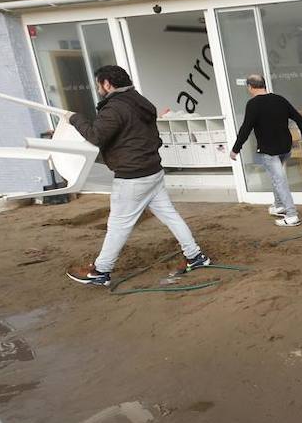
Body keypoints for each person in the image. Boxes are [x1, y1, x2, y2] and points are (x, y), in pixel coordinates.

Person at [65, 65, 209, 287]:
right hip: (152, 170)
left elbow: (95, 135)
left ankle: (101, 271)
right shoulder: (141, 101)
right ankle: (195, 256)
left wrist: (75, 119)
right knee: (170, 215)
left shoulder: (114, 108)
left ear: (107, 84)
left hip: (132, 176)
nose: (99, 89)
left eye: (99, 85)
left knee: (118, 224)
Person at [230, 74, 302, 227]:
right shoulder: (280, 99)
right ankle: (279, 206)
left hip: (270, 151)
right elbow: (298, 118)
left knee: (279, 180)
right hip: (285, 148)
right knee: (277, 176)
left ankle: (292, 215)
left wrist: (235, 149)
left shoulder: (253, 104)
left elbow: (246, 129)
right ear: (264, 85)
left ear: (250, 87)